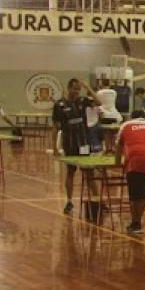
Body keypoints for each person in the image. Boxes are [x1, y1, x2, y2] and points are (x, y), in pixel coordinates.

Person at [52, 77, 97, 214]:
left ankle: (96, 200)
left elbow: (99, 102)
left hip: (83, 142)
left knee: (89, 172)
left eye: (79, 89)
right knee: (70, 172)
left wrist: (88, 87)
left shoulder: (83, 101)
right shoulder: (59, 105)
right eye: (75, 89)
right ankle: (69, 202)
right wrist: (55, 147)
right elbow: (55, 127)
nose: (77, 92)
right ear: (68, 88)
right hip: (69, 143)